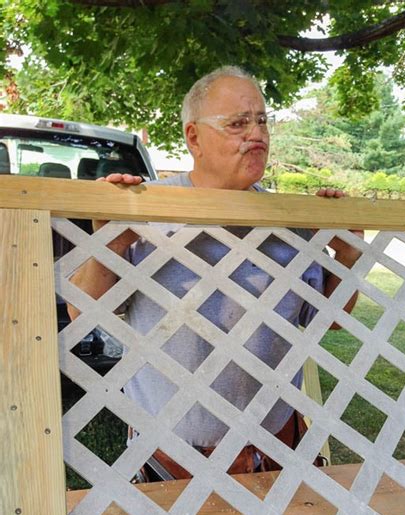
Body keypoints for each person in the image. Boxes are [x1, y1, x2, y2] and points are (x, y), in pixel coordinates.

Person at [67, 66, 362, 480]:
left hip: (275, 444)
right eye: (238, 123)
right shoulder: (146, 207)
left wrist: (348, 255)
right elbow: (82, 315)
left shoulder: (291, 218)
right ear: (193, 137)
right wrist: (111, 244)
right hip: (169, 452)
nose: (256, 134)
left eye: (261, 120)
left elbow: (328, 321)